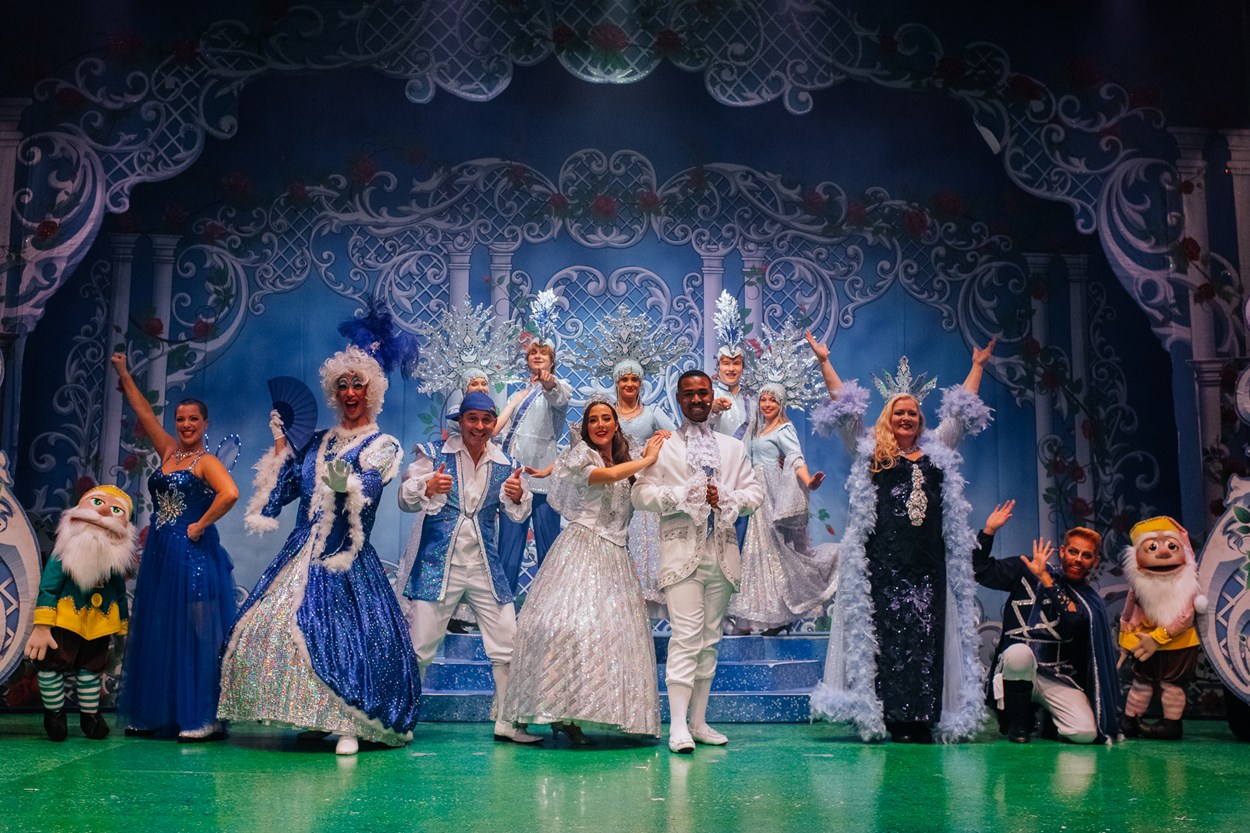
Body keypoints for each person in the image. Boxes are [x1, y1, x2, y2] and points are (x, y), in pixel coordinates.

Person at [218, 343, 421, 756]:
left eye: (357, 385)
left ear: (371, 392)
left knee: (346, 640)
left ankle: (348, 722)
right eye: (342, 385)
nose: (350, 393)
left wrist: (345, 480)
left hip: (345, 554)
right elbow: (282, 491)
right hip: (301, 550)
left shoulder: (384, 443)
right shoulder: (314, 442)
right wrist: (280, 445)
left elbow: (371, 485)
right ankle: (313, 714)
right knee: (266, 624)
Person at [808, 333, 995, 743]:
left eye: (912, 413)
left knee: (926, 639)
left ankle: (923, 717)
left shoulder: (937, 450)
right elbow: (845, 408)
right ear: (888, 420)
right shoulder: (871, 451)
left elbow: (960, 414)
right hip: (883, 565)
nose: (907, 419)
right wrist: (825, 361)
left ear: (921, 420)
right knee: (888, 642)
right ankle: (890, 716)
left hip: (928, 565)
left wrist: (977, 365)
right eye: (899, 414)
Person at [500, 401, 667, 743]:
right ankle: (561, 711)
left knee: (613, 635)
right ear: (587, 427)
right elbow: (602, 478)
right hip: (583, 546)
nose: (600, 424)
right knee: (570, 627)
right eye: (593, 420)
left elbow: (639, 472)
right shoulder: (582, 456)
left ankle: (597, 714)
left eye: (606, 418)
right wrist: (647, 459)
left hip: (616, 555)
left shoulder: (627, 459)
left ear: (616, 425)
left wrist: (662, 443)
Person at [632, 370, 764, 753]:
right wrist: (682, 494)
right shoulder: (664, 443)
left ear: (711, 397)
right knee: (686, 638)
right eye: (689, 394)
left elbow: (754, 493)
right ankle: (677, 727)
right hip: (679, 554)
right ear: (678, 399)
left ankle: (699, 721)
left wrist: (726, 497)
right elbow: (641, 495)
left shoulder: (732, 447)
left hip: (721, 554)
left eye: (703, 393)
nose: (697, 400)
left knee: (709, 641)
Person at [399, 390, 539, 744]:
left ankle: (507, 721)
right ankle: (401, 719)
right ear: (460, 422)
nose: (479, 426)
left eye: (486, 420)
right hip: (438, 563)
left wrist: (519, 496)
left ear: (493, 423)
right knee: (420, 646)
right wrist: (427, 486)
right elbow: (404, 499)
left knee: (507, 640)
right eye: (472, 419)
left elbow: (516, 510)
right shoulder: (432, 456)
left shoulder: (505, 463)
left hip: (483, 566)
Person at [111, 353, 239, 741]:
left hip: (194, 555)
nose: (185, 424)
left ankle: (205, 715)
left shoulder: (205, 461)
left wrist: (200, 525)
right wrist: (123, 373)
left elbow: (229, 493)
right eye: (180, 418)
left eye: (192, 419)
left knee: (199, 634)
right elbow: (144, 413)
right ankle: (159, 713)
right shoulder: (169, 452)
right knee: (162, 628)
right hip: (163, 553)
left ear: (205, 424)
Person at [972, 500, 1121, 744]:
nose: (1078, 559)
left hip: (1057, 676)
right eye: (1073, 552)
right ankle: (1018, 725)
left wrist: (1046, 580)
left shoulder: (1087, 599)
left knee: (1084, 733)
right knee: (1019, 653)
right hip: (1018, 672)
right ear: (1062, 551)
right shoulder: (1026, 568)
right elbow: (979, 569)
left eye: (1086, 556)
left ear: (1095, 561)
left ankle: (1048, 717)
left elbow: (1073, 622)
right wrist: (989, 531)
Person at [569, 304, 682, 611]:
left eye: (634, 380)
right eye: (624, 380)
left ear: (641, 383)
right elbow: (579, 451)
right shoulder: (605, 417)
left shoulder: (654, 413)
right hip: (609, 489)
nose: (629, 384)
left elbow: (675, 440)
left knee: (645, 545)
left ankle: (642, 604)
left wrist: (658, 445)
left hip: (640, 484)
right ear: (615, 383)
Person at [25, 486, 136, 741]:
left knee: (90, 671)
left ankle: (90, 717)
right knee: (52, 668)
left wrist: (121, 623)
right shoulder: (64, 552)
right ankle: (54, 715)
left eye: (116, 510)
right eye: (97, 502)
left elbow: (119, 592)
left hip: (99, 623)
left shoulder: (114, 560)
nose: (106, 511)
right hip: (65, 621)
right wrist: (42, 626)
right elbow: (49, 587)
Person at [495, 334, 572, 596]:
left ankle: (552, 611)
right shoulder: (518, 394)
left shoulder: (559, 386)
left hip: (543, 479)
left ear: (552, 360)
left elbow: (558, 397)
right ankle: (502, 614)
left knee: (549, 551)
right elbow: (502, 434)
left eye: (544, 353)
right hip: (515, 479)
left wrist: (549, 383)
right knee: (508, 550)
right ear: (527, 359)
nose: (538, 356)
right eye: (533, 353)